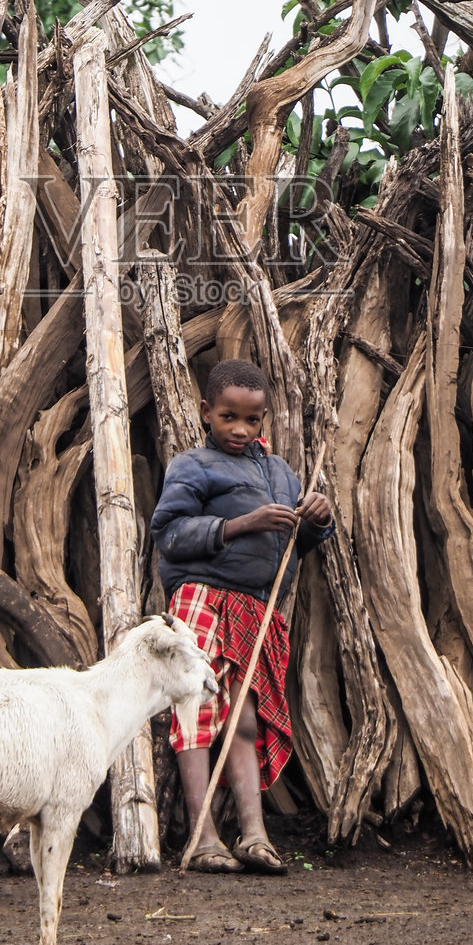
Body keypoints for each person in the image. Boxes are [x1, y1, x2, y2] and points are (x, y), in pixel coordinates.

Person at [150, 357, 334, 874]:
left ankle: (254, 836)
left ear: (264, 419)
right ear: (207, 412)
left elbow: (296, 543)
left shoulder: (280, 473)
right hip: (204, 597)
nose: (240, 429)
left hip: (257, 608)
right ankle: (203, 838)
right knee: (198, 714)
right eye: (228, 416)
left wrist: (316, 521)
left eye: (252, 420)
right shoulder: (193, 465)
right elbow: (169, 534)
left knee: (245, 719)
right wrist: (238, 524)